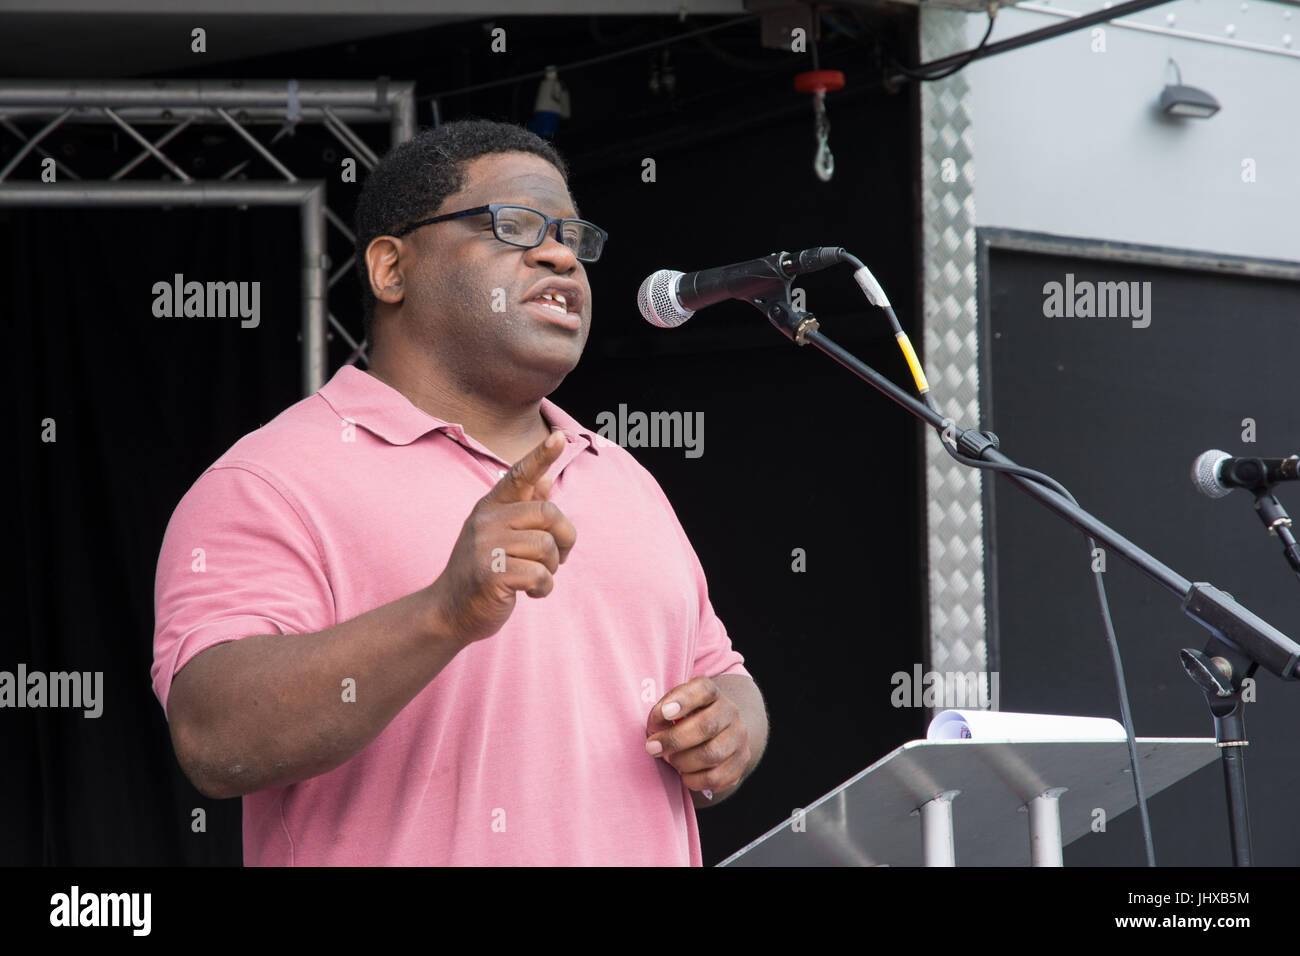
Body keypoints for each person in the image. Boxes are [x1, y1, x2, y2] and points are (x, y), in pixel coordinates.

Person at [151, 118, 768, 866]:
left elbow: (723, 677)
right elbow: (216, 738)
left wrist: (730, 729)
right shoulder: (269, 481)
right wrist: (444, 614)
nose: (559, 256)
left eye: (575, 239)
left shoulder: (625, 481)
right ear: (391, 269)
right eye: (515, 225)